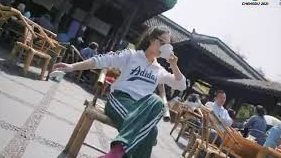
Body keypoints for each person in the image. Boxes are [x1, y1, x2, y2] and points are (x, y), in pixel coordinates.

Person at [53, 26, 186, 158]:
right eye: (161, 42)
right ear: (151, 39)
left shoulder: (159, 70)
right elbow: (103, 60)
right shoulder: (132, 55)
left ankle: (115, 154)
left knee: (153, 124)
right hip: (119, 100)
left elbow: (181, 85)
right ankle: (116, 154)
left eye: (167, 45)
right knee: (151, 129)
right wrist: (72, 67)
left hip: (140, 108)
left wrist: (174, 65)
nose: (164, 47)